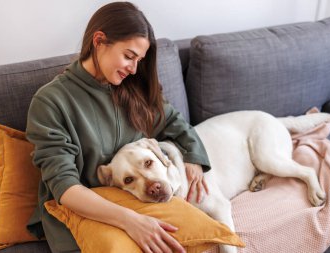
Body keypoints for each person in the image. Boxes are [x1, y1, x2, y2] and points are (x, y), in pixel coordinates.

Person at [26, 2, 211, 253]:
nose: (134, 69)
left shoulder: (133, 88)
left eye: (139, 60)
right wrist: (130, 221)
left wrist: (193, 156)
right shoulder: (51, 102)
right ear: (99, 40)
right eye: (129, 56)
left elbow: (172, 121)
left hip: (140, 202)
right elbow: (65, 187)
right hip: (85, 212)